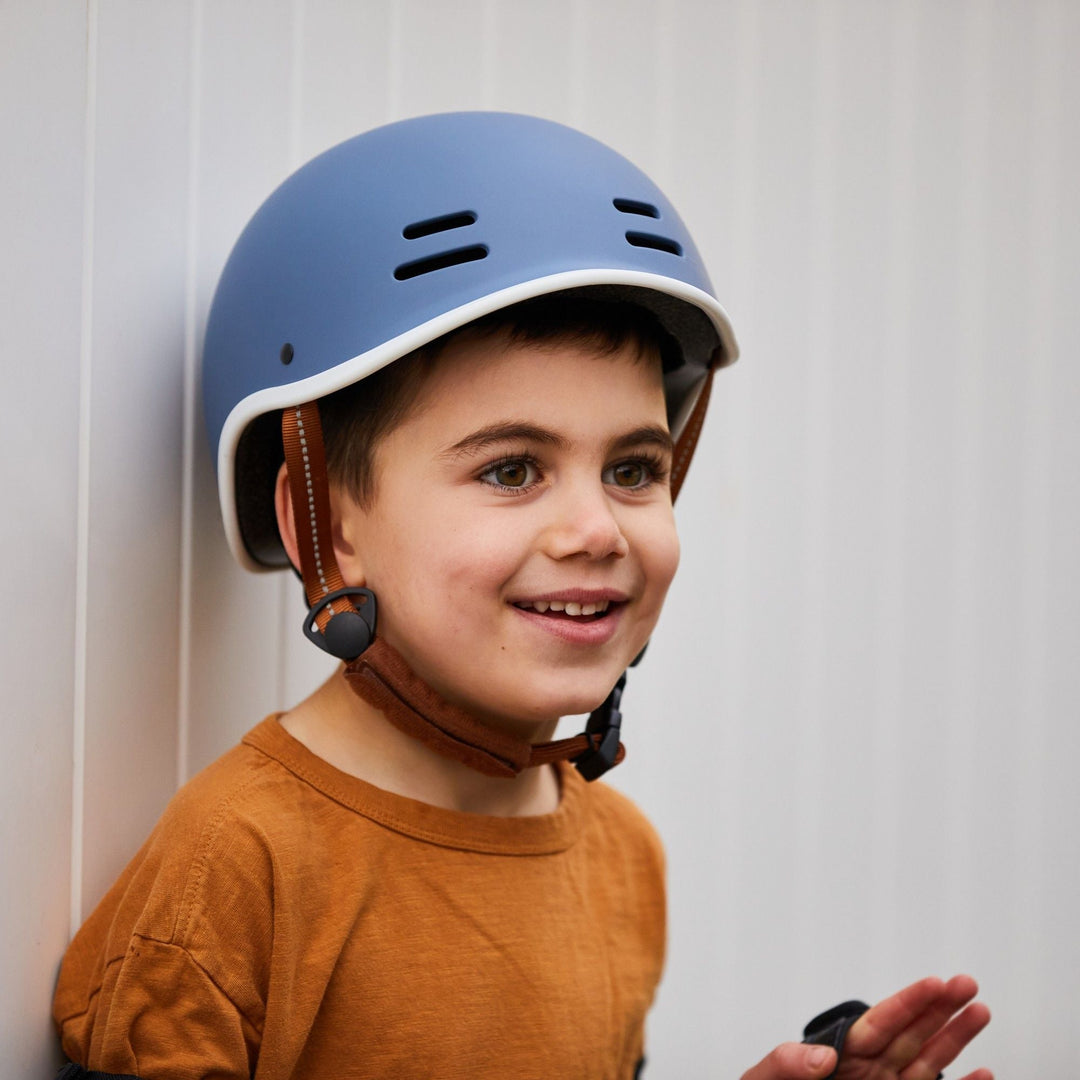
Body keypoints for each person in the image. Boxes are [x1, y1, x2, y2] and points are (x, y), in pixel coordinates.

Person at [52, 112, 992, 1080]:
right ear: (328, 530)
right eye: (511, 470)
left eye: (634, 468)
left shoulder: (623, 859)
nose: (597, 528)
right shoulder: (234, 873)